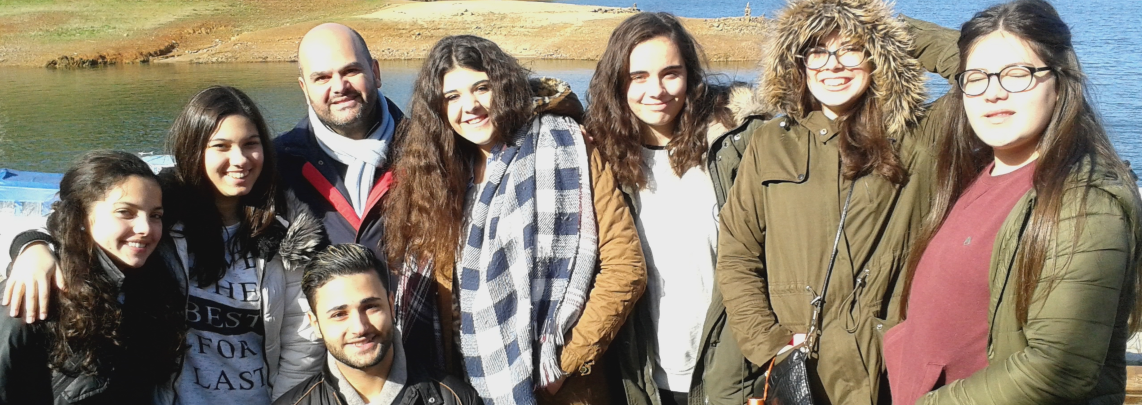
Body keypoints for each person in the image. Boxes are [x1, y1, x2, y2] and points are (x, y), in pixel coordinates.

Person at [882, 1, 1142, 404]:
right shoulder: (974, 172)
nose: (994, 92)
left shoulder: (1085, 204)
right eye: (977, 78)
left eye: (1018, 73)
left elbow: (1058, 369)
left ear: (1061, 83)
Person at [2, 86, 327, 404]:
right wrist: (33, 246)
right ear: (193, 150)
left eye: (250, 144)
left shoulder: (288, 234)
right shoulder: (161, 216)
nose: (240, 159)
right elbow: (77, 217)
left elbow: (302, 343)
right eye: (221, 146)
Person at [713, 0, 959, 403]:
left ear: (876, 56)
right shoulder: (770, 141)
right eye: (817, 51)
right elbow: (737, 254)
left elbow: (988, 69)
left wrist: (887, 29)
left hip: (889, 368)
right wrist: (769, 345)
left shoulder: (920, 136)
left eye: (851, 49)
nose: (833, 65)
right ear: (798, 62)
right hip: (800, 369)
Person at [382, 35, 646, 405]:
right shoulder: (438, 176)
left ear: (503, 87)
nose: (470, 106)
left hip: (557, 388)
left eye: (482, 88)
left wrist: (562, 365)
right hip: (466, 385)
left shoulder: (566, 146)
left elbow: (625, 268)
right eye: (452, 96)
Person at [583, 12, 773, 405]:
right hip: (641, 377)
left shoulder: (735, 145)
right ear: (617, 83)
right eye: (638, 77)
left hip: (732, 374)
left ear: (690, 75)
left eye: (671, 73)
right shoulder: (598, 157)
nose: (656, 90)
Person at [0, 150, 186, 404]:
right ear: (82, 216)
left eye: (155, 215)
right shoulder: (29, 296)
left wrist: (30, 241)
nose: (145, 228)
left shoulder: (148, 288)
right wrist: (32, 244)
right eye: (125, 212)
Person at [273, 243, 481, 405]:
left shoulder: (457, 399)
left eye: (370, 307)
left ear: (391, 305)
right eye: (339, 314)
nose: (360, 328)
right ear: (315, 324)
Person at [274, 22, 404, 269]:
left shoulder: (433, 150)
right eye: (322, 78)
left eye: (351, 71)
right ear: (304, 88)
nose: (339, 87)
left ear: (375, 72)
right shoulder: (277, 167)